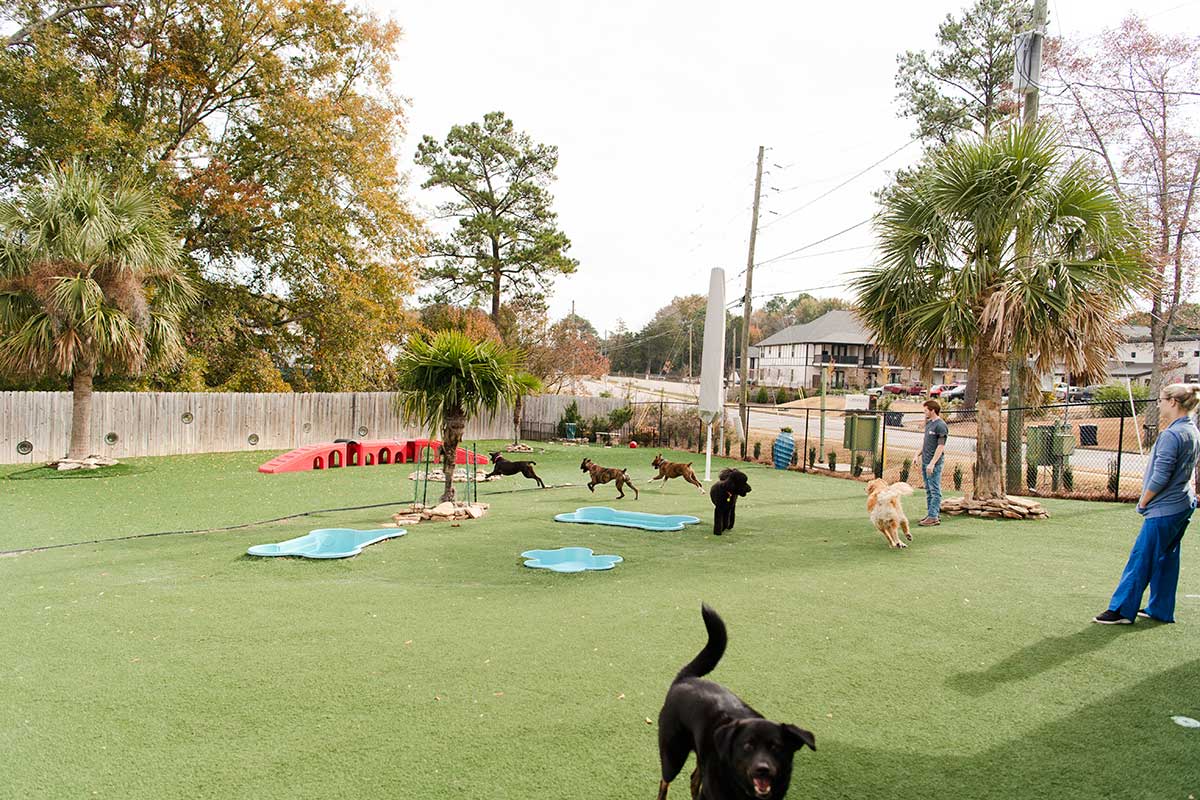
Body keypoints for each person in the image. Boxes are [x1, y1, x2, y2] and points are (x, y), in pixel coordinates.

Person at [1094, 383, 1200, 624]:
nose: (1159, 404)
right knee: (1166, 558)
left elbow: (1161, 476)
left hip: (1165, 510)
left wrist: (1143, 501)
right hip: (1183, 505)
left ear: (1173, 402)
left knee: (1142, 557)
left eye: (1161, 399)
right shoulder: (1191, 430)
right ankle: (1160, 609)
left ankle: (1121, 611)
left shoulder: (1171, 435)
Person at [913, 399, 948, 527]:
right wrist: (917, 454)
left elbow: (940, 446)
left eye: (926, 409)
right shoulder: (929, 424)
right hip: (925, 461)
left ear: (932, 410)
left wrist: (932, 463)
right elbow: (925, 443)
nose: (924, 412)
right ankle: (931, 514)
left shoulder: (941, 425)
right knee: (928, 490)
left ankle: (933, 517)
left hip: (934, 463)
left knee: (935, 490)